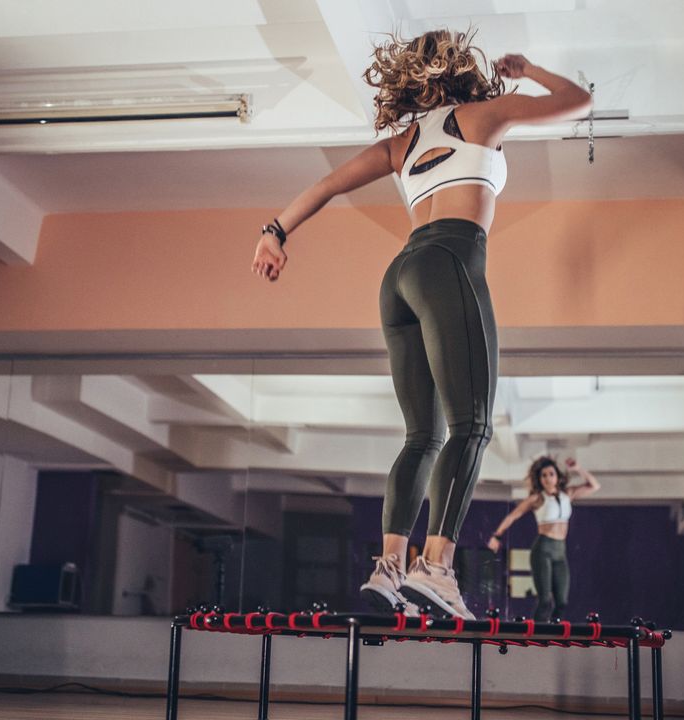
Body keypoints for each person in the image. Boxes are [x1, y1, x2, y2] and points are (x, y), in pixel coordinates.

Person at [251, 30, 591, 619]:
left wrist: (274, 233)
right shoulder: (483, 114)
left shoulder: (399, 143)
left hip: (399, 277)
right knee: (473, 425)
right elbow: (577, 100)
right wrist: (531, 68)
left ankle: (388, 570)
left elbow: (327, 184)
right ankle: (434, 567)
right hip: (449, 261)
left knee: (422, 436)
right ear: (464, 73)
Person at [487, 456, 601, 621]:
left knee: (562, 601)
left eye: (551, 474)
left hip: (560, 552)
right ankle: (539, 634)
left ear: (557, 477)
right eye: (544, 475)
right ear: (539, 479)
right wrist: (496, 536)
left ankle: (553, 631)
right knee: (545, 600)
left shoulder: (567, 494)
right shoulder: (537, 498)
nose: (548, 478)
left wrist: (578, 469)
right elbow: (513, 516)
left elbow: (594, 485)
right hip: (543, 549)